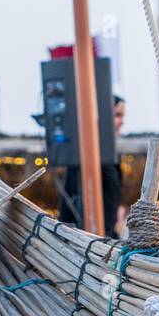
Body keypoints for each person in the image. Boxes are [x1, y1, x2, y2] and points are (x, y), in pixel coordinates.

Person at [60, 95, 125, 237]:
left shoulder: (109, 153)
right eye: (117, 115)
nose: (122, 122)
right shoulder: (88, 153)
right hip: (88, 238)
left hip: (105, 236)